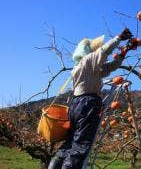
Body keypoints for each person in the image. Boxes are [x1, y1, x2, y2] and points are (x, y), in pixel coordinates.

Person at [48, 28, 135, 169]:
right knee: (80, 146)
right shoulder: (87, 61)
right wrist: (119, 38)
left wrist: (124, 51)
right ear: (88, 51)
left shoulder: (82, 68)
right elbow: (104, 51)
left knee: (70, 143)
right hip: (87, 104)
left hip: (75, 106)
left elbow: (110, 67)